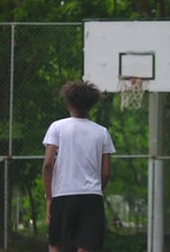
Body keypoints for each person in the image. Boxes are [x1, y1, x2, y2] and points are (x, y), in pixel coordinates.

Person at [42, 80, 116, 252]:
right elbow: (105, 173)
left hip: (63, 195)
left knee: (56, 244)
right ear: (91, 105)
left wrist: (49, 199)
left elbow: (48, 164)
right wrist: (96, 189)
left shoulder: (57, 127)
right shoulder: (102, 132)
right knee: (86, 246)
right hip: (91, 197)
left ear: (68, 103)